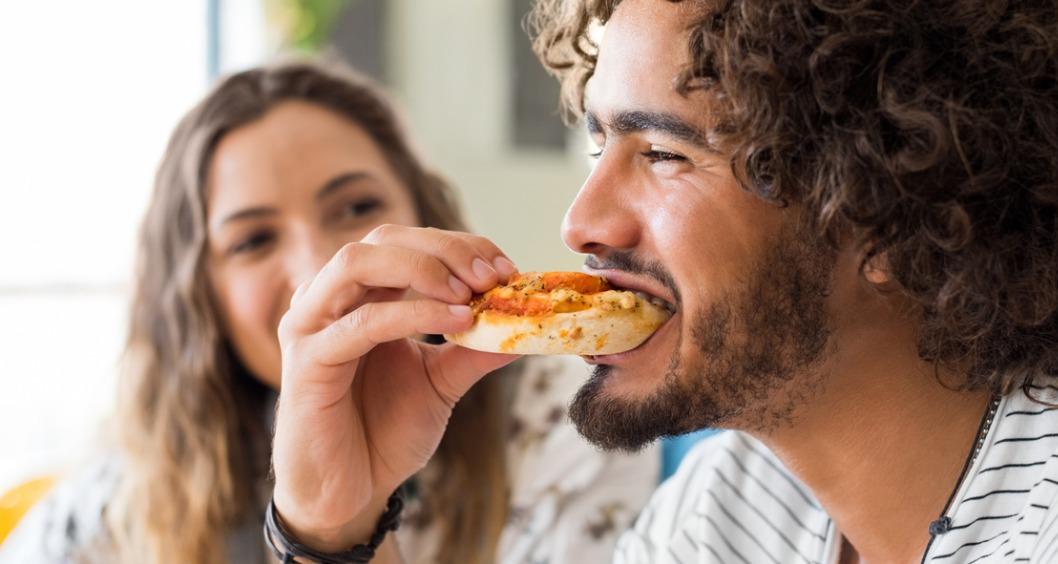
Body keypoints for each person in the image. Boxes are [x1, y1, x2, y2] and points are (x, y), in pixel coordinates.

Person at [264, 0, 1058, 562]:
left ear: (890, 194)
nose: (583, 222)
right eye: (601, 145)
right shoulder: (744, 496)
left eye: (664, 154)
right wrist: (334, 527)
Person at [0, 61, 658, 564]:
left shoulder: (574, 419)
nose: (321, 267)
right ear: (199, 299)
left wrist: (344, 534)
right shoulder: (114, 509)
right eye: (253, 240)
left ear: (424, 217)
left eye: (356, 208)